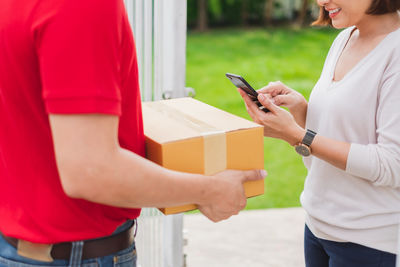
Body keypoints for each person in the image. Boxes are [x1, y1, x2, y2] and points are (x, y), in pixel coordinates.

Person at [0, 0, 266, 266]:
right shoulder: (83, 6)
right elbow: (91, 171)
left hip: (24, 242)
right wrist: (210, 191)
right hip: (76, 253)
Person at [239, 0, 400, 266]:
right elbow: (337, 139)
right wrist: (301, 111)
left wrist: (297, 135)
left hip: (367, 242)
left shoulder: (394, 52)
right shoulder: (345, 38)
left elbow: (392, 164)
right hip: (318, 226)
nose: (321, 1)